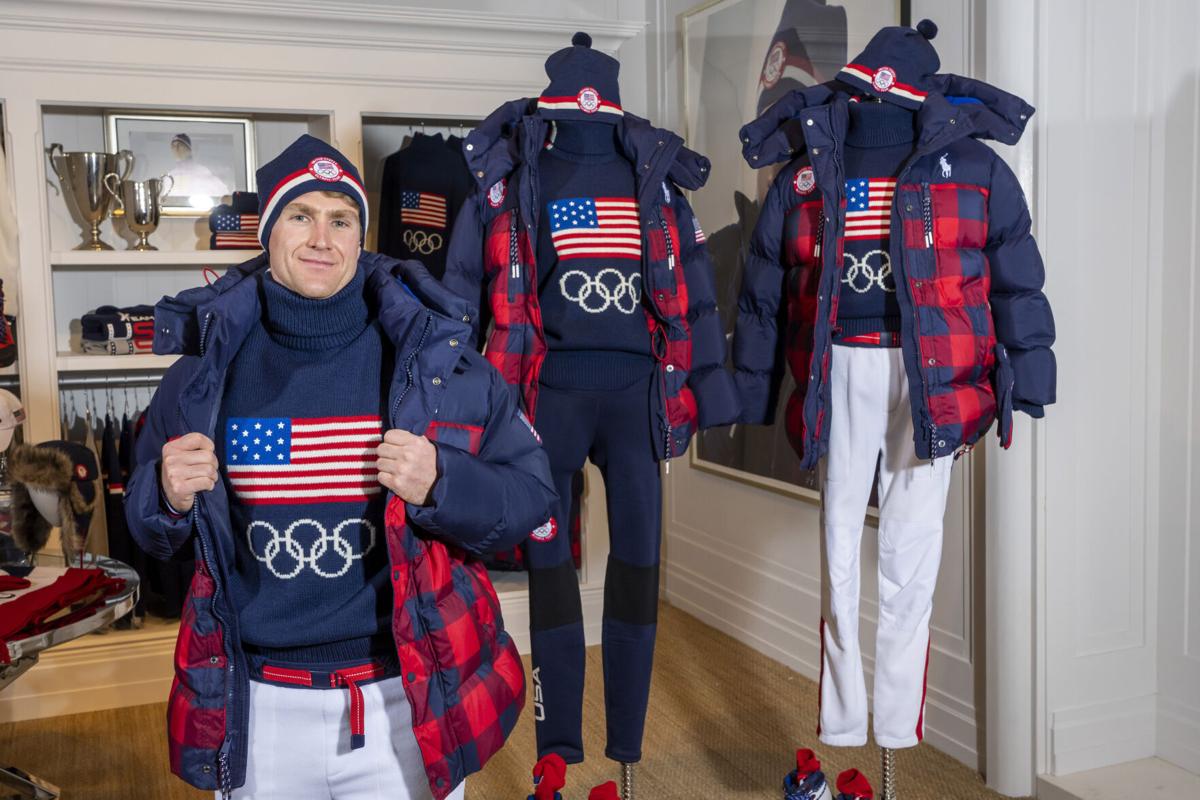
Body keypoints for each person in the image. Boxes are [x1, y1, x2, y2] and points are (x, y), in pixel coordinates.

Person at [126, 134, 557, 799]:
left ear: (361, 235)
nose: (321, 236)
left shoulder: (436, 361)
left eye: (341, 218)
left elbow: (530, 496)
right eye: (301, 215)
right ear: (267, 232)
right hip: (258, 705)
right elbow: (152, 533)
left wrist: (444, 481)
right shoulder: (200, 374)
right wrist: (164, 495)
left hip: (401, 697)